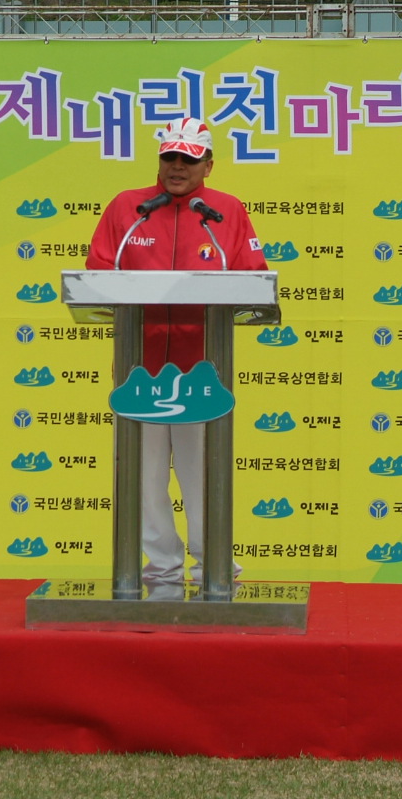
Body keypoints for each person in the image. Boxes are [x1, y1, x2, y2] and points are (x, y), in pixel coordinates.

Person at [86, 117, 268, 597]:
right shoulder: (130, 209)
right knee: (143, 476)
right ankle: (161, 571)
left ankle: (214, 567)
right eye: (170, 157)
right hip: (137, 366)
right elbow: (97, 272)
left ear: (208, 164)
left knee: (201, 471)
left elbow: (253, 276)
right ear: (159, 159)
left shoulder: (226, 211)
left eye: (189, 159)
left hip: (202, 369)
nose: (177, 167)